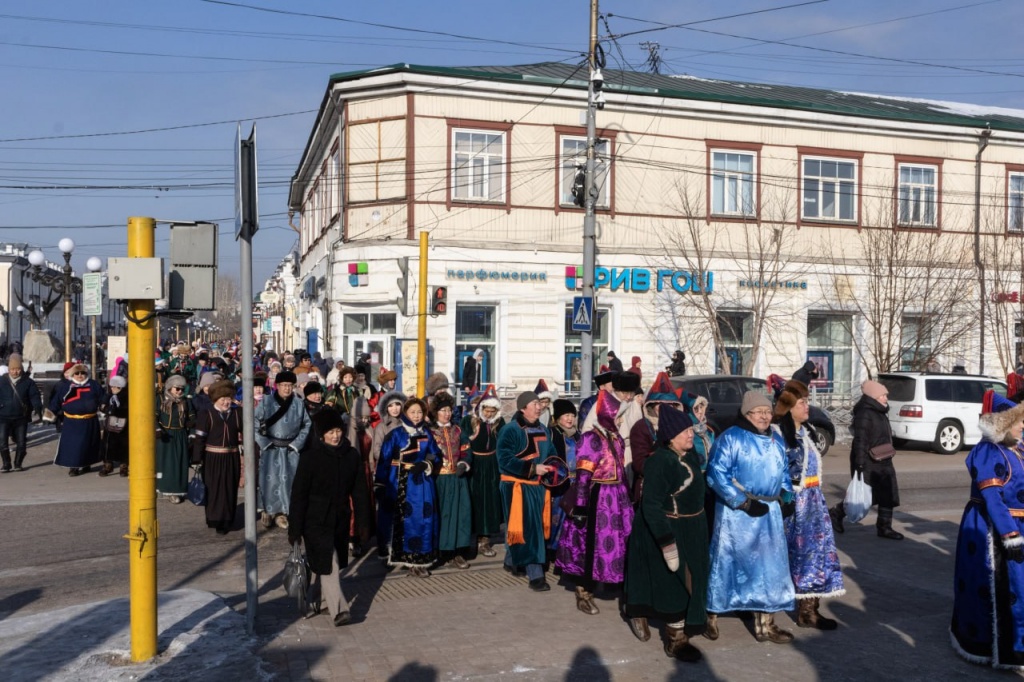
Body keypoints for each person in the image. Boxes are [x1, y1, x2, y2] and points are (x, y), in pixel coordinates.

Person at [705, 390, 795, 644]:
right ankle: (711, 615)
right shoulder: (730, 438)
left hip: (769, 512)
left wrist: (787, 497)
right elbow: (715, 474)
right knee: (726, 564)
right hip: (737, 517)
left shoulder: (776, 439)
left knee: (769, 568)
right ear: (747, 413)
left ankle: (766, 624)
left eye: (768, 411)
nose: (765, 416)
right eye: (759, 412)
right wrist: (742, 502)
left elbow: (784, 472)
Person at [623, 405, 709, 662]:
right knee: (675, 584)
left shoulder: (690, 455)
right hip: (670, 528)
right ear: (671, 436)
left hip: (693, 527)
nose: (690, 435)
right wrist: (667, 544)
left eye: (690, 429)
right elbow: (651, 506)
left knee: (695, 578)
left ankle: (693, 623)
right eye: (685, 431)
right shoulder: (660, 462)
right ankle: (675, 641)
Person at [951, 390, 1024, 669]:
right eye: (1017, 421)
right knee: (998, 585)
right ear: (1003, 424)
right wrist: (1010, 534)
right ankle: (999, 648)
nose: (1022, 426)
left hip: (1015, 522)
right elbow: (993, 498)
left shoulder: (1016, 446)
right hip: (992, 527)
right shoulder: (988, 452)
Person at [288, 408, 371, 627]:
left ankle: (316, 601)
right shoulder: (310, 457)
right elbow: (298, 495)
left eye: (338, 431)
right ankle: (340, 611)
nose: (335, 436)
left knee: (323, 564)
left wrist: (363, 521)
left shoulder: (351, 455)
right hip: (314, 520)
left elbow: (360, 490)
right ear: (321, 434)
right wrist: (294, 529)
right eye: (330, 432)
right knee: (329, 562)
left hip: (340, 518)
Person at [772, 380, 844, 630]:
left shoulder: (806, 432)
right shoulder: (779, 435)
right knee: (801, 555)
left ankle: (809, 609)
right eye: (802, 403)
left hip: (813, 501)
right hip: (796, 503)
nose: (807, 407)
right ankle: (798, 610)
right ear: (789, 408)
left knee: (816, 554)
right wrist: (786, 498)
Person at [556, 390, 634, 615]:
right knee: (590, 545)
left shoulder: (615, 437)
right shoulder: (591, 439)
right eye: (618, 416)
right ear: (609, 416)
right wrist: (581, 506)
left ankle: (607, 580)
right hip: (598, 497)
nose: (621, 420)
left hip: (617, 496)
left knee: (616, 543)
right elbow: (582, 475)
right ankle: (584, 590)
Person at [375, 397, 441, 577]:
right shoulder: (395, 434)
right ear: (406, 413)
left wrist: (427, 464)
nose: (417, 416)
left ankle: (420, 559)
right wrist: (380, 483)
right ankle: (402, 557)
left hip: (422, 483)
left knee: (423, 519)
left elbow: (436, 455)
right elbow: (384, 460)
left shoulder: (427, 433)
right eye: (413, 412)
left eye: (420, 412)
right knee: (400, 520)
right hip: (398, 481)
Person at [497, 391, 557, 591]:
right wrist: (532, 469)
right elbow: (504, 459)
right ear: (523, 408)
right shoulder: (510, 430)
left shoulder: (544, 430)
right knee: (530, 529)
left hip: (538, 487)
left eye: (540, 403)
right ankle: (535, 574)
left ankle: (511, 560)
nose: (539, 407)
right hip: (517, 486)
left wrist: (555, 469)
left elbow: (552, 455)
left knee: (526, 527)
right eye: (534, 403)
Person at [829, 380, 903, 540]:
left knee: (888, 492)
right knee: (864, 496)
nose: (886, 398)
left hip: (884, 457)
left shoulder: (880, 411)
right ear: (874, 396)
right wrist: (860, 463)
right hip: (869, 460)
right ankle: (836, 512)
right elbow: (860, 440)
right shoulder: (865, 413)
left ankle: (884, 527)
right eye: (883, 395)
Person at [255, 370, 312, 530]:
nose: (287, 389)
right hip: (270, 448)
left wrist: (296, 444)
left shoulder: (298, 403)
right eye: (284, 385)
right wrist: (263, 441)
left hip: (290, 449)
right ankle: (267, 510)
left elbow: (307, 424)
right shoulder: (266, 402)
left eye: (290, 386)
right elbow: (253, 421)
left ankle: (282, 513)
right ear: (277, 386)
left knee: (289, 482)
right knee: (269, 481)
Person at [192, 379, 243, 535]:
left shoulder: (236, 413)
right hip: (212, 457)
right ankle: (214, 519)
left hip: (231, 456)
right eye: (223, 399)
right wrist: (196, 459)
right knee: (214, 489)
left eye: (229, 398)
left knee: (229, 488)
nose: (226, 402)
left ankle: (228, 520)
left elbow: (246, 431)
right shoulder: (206, 414)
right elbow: (199, 438)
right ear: (215, 399)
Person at [430, 392, 473, 569]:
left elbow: (466, 450)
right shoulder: (430, 431)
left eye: (449, 410)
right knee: (441, 515)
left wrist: (464, 462)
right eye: (443, 410)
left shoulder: (458, 430)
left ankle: (457, 552)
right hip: (439, 480)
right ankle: (441, 551)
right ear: (436, 412)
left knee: (460, 515)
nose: (447, 413)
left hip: (457, 478)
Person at [460, 384, 504, 557]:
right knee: (473, 502)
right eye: (486, 410)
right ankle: (468, 541)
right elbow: (462, 443)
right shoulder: (468, 421)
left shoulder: (499, 423)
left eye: (493, 410)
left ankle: (484, 540)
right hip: (474, 465)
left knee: (489, 503)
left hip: (492, 466)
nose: (489, 413)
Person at [629, 372, 681, 502]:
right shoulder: (641, 427)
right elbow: (639, 463)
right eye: (661, 405)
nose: (666, 409)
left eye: (670, 405)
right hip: (651, 486)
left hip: (678, 486)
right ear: (652, 406)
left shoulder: (681, 427)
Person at [51, 363, 104, 477]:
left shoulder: (94, 385)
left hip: (90, 421)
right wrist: (50, 414)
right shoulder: (66, 387)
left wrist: (105, 406)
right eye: (77, 373)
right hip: (72, 422)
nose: (80, 375)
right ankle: (73, 467)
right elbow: (56, 402)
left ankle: (86, 464)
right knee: (73, 446)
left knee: (88, 445)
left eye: (83, 373)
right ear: (73, 374)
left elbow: (102, 398)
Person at [0, 354, 42, 472]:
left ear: (21, 369)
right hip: (3, 416)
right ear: (9, 369)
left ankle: (18, 463)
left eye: (18, 369)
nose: (15, 372)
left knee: (21, 442)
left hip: (21, 417)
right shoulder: (2, 381)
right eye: (13, 369)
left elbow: (35, 396)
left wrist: (38, 408)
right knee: (2, 441)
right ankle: (6, 464)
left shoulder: (28, 382)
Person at [547, 398, 579, 557]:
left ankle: (567, 550)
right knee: (556, 517)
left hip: (577, 483)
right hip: (559, 483)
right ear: (558, 417)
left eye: (572, 415)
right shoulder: (553, 434)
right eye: (566, 415)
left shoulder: (578, 435)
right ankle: (551, 549)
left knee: (572, 518)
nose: (570, 419)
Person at [156, 375, 193, 503]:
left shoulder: (186, 402)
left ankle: (178, 490)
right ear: (170, 388)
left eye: (182, 389)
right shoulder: (160, 399)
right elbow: (153, 416)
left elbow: (192, 418)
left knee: (180, 463)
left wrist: (191, 431)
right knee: (166, 464)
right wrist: (157, 429)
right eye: (177, 388)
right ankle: (165, 488)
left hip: (180, 435)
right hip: (165, 435)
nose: (179, 391)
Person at [98, 375, 130, 477]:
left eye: (115, 387)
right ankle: (108, 464)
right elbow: (102, 405)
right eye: (111, 386)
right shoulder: (109, 396)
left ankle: (123, 466)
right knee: (107, 445)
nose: (112, 389)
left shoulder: (125, 396)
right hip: (110, 424)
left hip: (123, 425)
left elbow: (125, 409)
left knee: (123, 446)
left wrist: (114, 410)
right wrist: (105, 408)